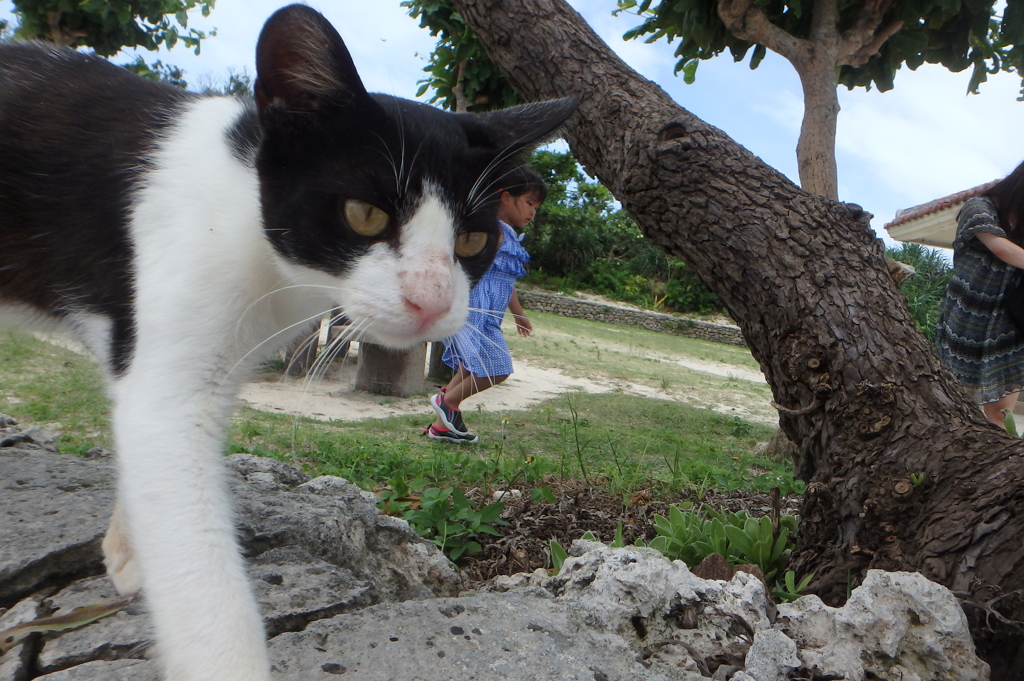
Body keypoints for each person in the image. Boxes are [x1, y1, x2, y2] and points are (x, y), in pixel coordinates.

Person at [427, 168, 546, 443]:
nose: (532, 212)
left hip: (490, 314)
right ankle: (447, 403)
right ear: (505, 198)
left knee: (470, 368)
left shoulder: (509, 235)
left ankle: (441, 426)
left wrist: (519, 313)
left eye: (536, 207)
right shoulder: (489, 230)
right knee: (497, 369)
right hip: (474, 309)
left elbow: (506, 279)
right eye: (529, 203)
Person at [935, 160, 1024, 428]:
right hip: (967, 317)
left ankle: (1005, 458)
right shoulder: (978, 207)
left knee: (1002, 413)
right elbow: (1002, 249)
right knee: (950, 398)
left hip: (1007, 321)